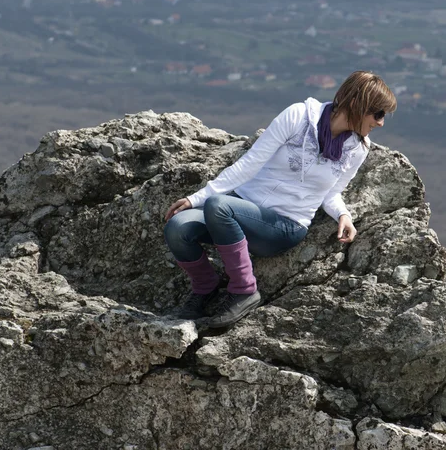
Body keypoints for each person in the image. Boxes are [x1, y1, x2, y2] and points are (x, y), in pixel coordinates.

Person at [164, 70, 397, 327]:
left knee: (219, 207)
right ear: (358, 104)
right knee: (178, 227)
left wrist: (344, 215)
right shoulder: (298, 116)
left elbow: (332, 192)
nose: (381, 123)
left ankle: (243, 290)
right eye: (378, 114)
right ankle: (205, 287)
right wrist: (196, 198)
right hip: (238, 209)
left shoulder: (358, 149)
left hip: (284, 226)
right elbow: (249, 164)